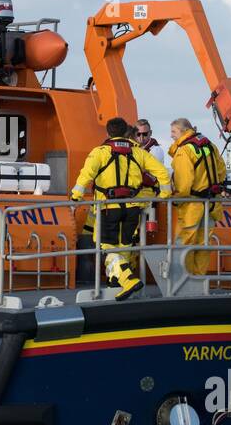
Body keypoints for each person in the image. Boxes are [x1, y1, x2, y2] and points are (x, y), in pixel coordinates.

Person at [71, 117, 172, 300]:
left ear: (108, 133)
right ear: (127, 131)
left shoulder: (100, 152)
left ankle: (127, 280)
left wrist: (75, 196)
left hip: (108, 208)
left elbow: (85, 176)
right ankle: (115, 283)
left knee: (106, 249)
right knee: (124, 247)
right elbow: (162, 172)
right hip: (132, 208)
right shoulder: (138, 151)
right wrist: (164, 194)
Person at [168, 118, 227, 276]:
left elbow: (184, 181)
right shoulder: (209, 145)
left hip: (192, 205)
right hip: (212, 203)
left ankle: (183, 280)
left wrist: (178, 197)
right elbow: (221, 170)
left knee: (184, 242)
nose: (171, 135)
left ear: (183, 131)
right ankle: (198, 278)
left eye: (173, 131)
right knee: (203, 244)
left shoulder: (184, 151)